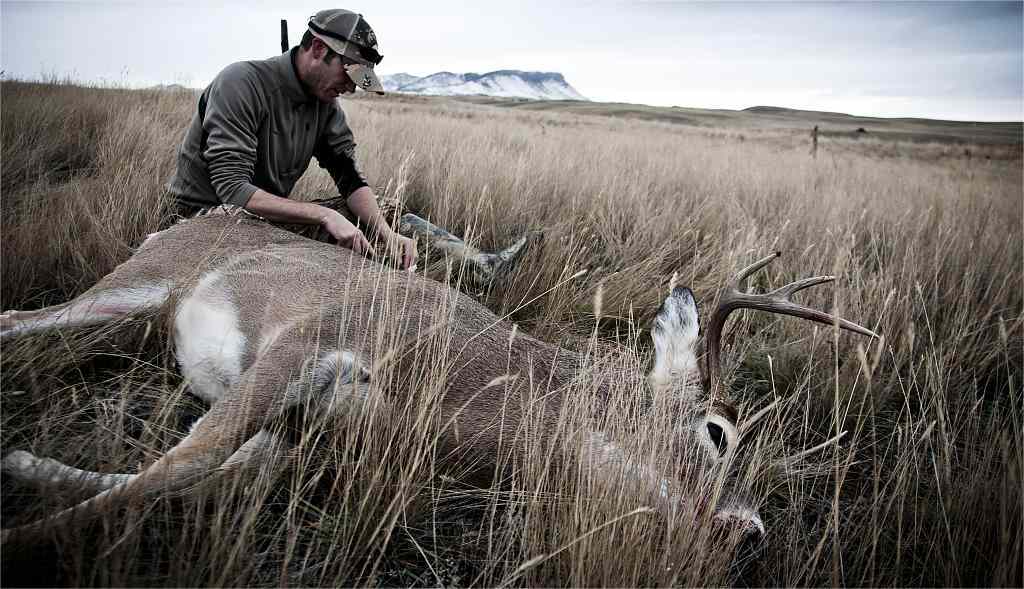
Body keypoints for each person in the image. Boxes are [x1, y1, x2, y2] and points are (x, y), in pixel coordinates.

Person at [168, 9, 421, 269]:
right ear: (319, 49)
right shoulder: (241, 83)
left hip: (261, 221)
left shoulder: (326, 105)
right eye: (348, 74)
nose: (351, 88)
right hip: (203, 220)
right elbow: (232, 190)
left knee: (381, 212)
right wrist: (324, 215)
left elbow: (350, 178)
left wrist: (385, 232)